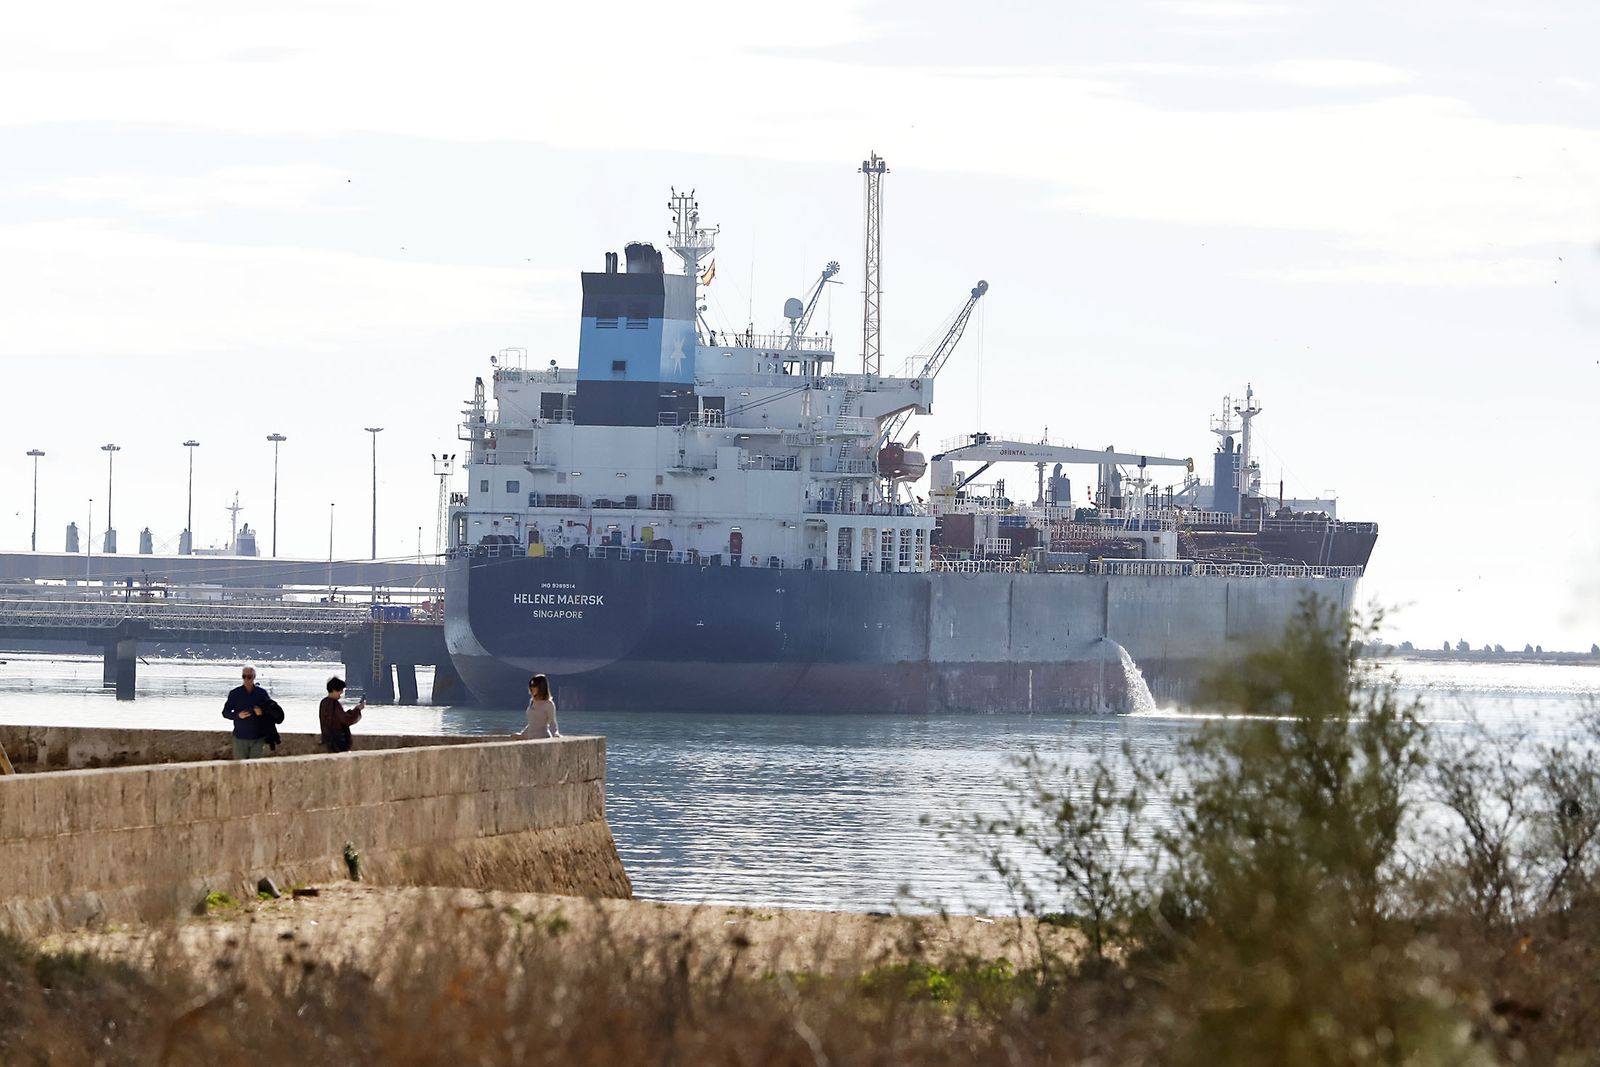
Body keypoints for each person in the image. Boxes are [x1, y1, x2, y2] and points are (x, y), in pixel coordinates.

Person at [222, 666, 274, 760]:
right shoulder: (235, 693)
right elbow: (225, 712)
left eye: (249, 676)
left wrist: (261, 713)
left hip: (258, 738)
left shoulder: (261, 694)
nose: (246, 679)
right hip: (240, 737)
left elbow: (271, 713)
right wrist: (238, 715)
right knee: (240, 768)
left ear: (254, 677)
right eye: (244, 676)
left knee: (255, 768)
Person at [319, 676, 366, 753]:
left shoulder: (324, 702)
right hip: (337, 741)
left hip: (327, 740)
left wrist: (354, 710)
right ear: (334, 690)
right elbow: (346, 720)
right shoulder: (334, 703)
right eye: (340, 690)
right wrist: (358, 710)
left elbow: (339, 717)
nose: (341, 693)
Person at [520, 674, 559, 738]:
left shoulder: (549, 704)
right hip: (530, 739)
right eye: (530, 686)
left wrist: (555, 734)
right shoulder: (532, 701)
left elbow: (552, 723)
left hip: (543, 738)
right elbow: (532, 723)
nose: (531, 688)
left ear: (541, 687)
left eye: (534, 686)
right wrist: (522, 734)